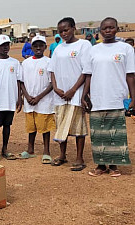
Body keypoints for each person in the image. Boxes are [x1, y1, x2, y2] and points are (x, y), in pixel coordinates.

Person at [84, 17, 135, 177]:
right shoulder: (93, 50)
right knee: (98, 133)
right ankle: (100, 165)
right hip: (97, 98)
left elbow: (130, 75)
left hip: (117, 96)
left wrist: (134, 97)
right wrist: (85, 95)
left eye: (111, 28)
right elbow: (88, 75)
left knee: (115, 133)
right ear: (100, 30)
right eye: (104, 28)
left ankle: (113, 166)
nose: (108, 31)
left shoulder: (126, 49)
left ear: (117, 29)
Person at [48, 17, 92, 171]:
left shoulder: (84, 45)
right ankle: (62, 155)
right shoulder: (59, 48)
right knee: (61, 126)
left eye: (66, 30)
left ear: (74, 28)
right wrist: (55, 88)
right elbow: (52, 70)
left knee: (79, 128)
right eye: (60, 31)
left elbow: (86, 71)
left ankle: (79, 157)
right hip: (60, 96)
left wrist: (74, 90)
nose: (63, 33)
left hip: (76, 94)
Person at [19, 35, 55, 164]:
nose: (38, 48)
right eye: (35, 45)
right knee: (31, 127)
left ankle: (46, 151)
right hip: (29, 101)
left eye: (41, 45)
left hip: (44, 101)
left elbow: (52, 83)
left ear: (45, 47)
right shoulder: (26, 63)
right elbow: (21, 82)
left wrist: (39, 97)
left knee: (45, 127)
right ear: (31, 47)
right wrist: (27, 97)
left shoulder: (49, 62)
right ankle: (30, 149)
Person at [0, 35, 22, 161]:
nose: (5, 47)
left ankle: (5, 148)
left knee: (7, 125)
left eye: (7, 45)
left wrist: (19, 99)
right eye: (2, 45)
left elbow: (19, 81)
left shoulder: (15, 63)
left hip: (10, 100)